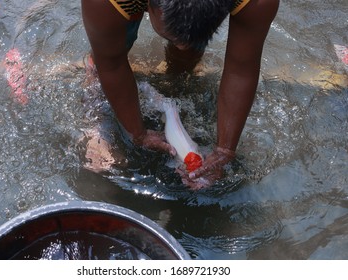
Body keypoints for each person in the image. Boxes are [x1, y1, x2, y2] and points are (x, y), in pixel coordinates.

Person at [81, 0, 279, 188]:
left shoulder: (257, 3)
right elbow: (111, 64)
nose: (182, 45)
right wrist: (137, 133)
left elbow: (241, 69)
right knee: (105, 55)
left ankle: (176, 78)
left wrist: (225, 149)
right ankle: (96, 123)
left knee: (189, 46)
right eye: (172, 36)